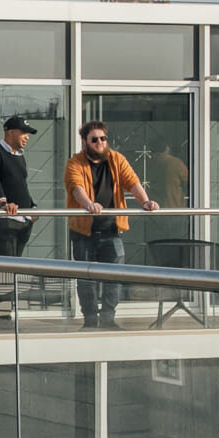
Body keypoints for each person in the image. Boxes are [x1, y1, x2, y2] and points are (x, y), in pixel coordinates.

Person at [63, 120, 157, 329]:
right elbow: (76, 188)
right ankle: (90, 320)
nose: (100, 143)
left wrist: (146, 201)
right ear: (85, 142)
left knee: (113, 276)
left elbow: (132, 182)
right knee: (86, 278)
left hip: (111, 230)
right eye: (94, 140)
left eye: (103, 139)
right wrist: (89, 204)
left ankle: (108, 318)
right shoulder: (74, 163)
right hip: (83, 232)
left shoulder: (116, 159)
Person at [0, 115, 39, 318]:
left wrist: (32, 208)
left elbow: (21, 185)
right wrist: (3, 203)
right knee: (7, 264)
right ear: (10, 132)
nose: (27, 137)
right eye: (23, 133)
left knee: (14, 265)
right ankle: (0, 314)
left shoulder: (20, 155)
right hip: (4, 219)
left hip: (23, 220)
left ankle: (5, 310)